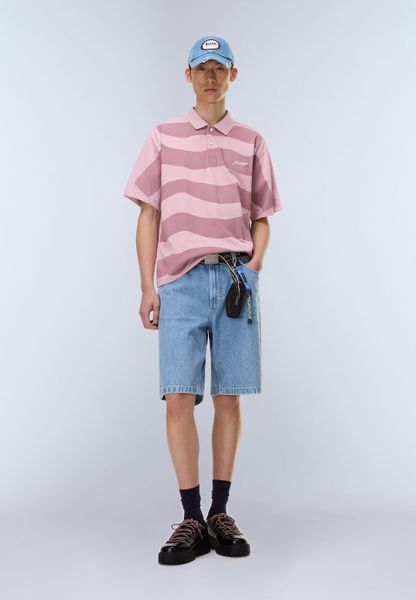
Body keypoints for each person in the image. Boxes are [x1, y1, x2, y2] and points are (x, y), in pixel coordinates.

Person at [123, 35, 282, 565]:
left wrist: (253, 268)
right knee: (178, 396)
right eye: (201, 68)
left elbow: (262, 217)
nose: (210, 77)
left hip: (235, 281)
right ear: (187, 74)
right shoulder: (163, 136)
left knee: (229, 396)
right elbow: (148, 215)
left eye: (219, 68)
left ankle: (220, 513)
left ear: (233, 74)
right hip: (179, 283)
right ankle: (190, 517)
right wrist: (148, 286)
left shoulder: (252, 141)